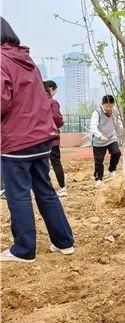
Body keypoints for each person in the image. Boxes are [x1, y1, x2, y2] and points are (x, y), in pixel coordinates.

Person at [0, 17, 74, 262]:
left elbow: (2, 100)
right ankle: (63, 241)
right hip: (41, 139)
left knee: (18, 194)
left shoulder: (1, 60)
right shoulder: (27, 60)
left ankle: (24, 249)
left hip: (17, 140)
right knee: (45, 190)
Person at [90, 95, 122, 186]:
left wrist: (123, 131)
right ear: (102, 104)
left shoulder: (115, 111)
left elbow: (119, 123)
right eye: (107, 106)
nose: (109, 108)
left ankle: (111, 170)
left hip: (111, 137)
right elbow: (93, 127)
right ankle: (98, 178)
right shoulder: (97, 112)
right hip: (99, 140)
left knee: (116, 152)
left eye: (111, 106)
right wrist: (100, 136)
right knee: (99, 160)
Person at [43, 80, 67, 196]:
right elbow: (57, 119)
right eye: (55, 91)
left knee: (41, 164)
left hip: (37, 140)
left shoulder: (35, 102)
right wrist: (62, 122)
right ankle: (62, 188)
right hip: (51, 139)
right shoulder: (52, 103)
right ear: (51, 88)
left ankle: (44, 188)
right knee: (56, 163)